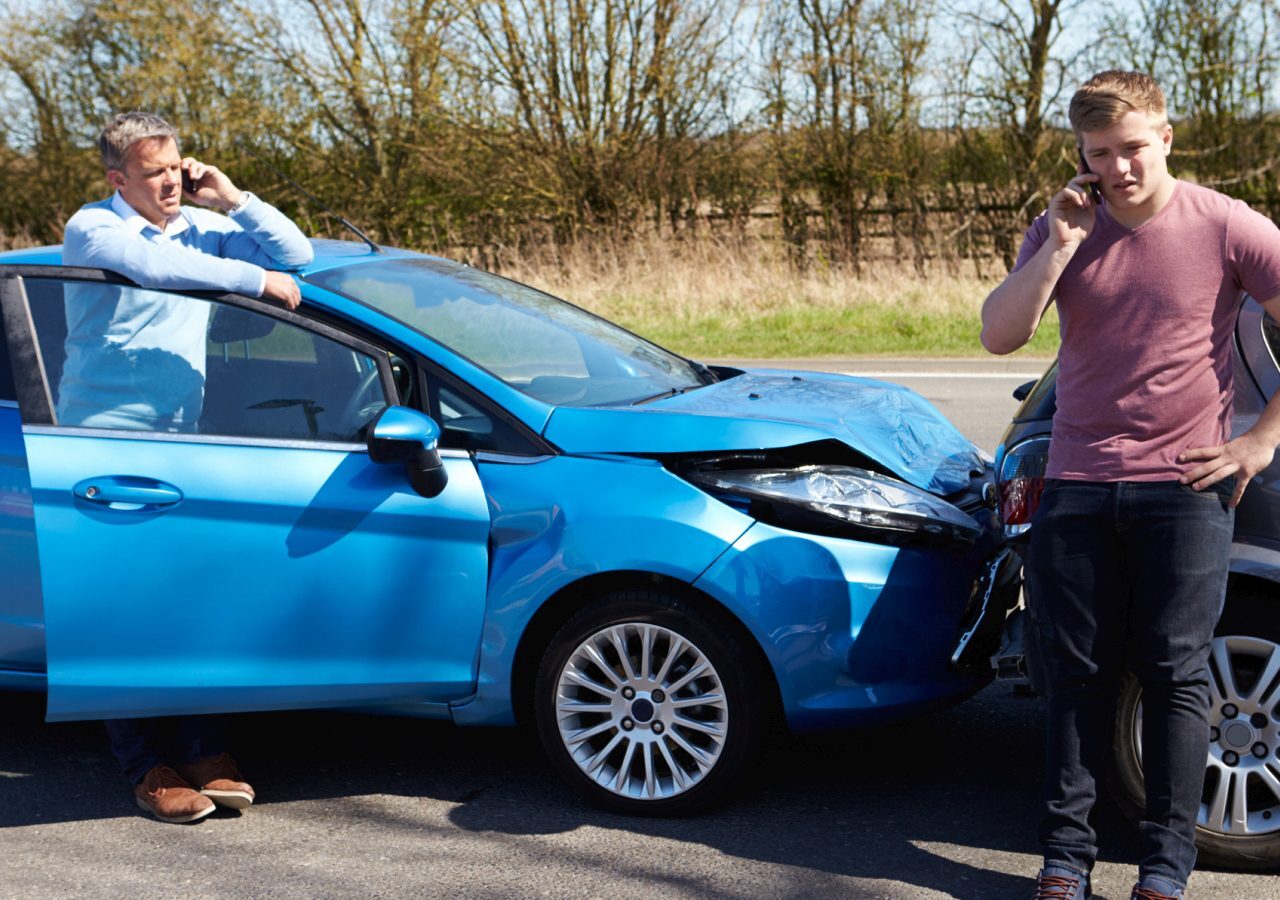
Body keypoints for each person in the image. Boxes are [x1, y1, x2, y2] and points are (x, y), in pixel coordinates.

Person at [981, 71, 1280, 899]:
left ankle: (1163, 871)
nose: (1118, 169)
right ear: (1081, 154)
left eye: (1133, 148)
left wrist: (1260, 440)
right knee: (1074, 678)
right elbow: (1000, 336)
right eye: (1099, 153)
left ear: (1168, 138)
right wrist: (1061, 248)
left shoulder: (1224, 224)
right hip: (1076, 483)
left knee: (1176, 680)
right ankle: (1064, 861)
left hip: (1184, 490)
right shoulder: (1060, 226)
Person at [62, 111, 314, 823]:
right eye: (152, 173)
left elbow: (297, 257)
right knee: (126, 611)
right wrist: (254, 280)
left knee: (194, 596)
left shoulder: (199, 229)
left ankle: (205, 750)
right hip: (104, 447)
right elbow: (155, 268)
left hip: (182, 442)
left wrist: (233, 201)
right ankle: (147, 767)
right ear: (118, 179)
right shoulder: (96, 228)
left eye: (175, 168)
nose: (170, 182)